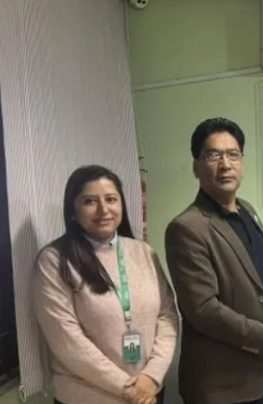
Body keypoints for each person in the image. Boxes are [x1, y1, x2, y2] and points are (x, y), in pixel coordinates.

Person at [165, 117, 263, 404]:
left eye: (233, 154)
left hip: (260, 373)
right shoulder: (187, 228)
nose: (225, 164)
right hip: (222, 385)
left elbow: (255, 273)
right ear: (196, 166)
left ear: (242, 161)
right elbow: (203, 310)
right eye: (213, 155)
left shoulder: (247, 211)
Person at [32, 165, 179, 404]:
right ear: (72, 210)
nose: (104, 210)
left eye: (111, 199)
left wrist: (151, 377)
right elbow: (67, 341)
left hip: (149, 392)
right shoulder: (54, 261)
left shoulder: (143, 252)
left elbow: (167, 316)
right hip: (89, 398)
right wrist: (129, 389)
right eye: (90, 201)